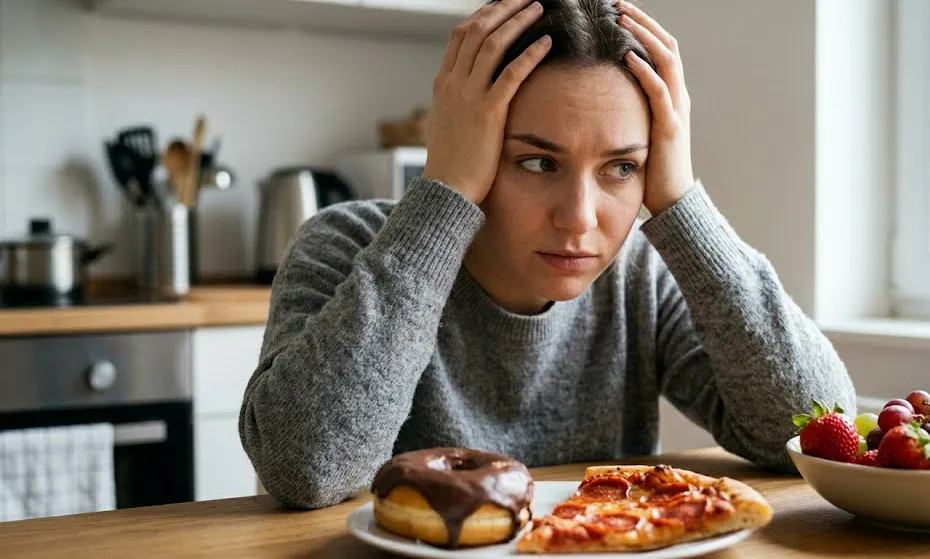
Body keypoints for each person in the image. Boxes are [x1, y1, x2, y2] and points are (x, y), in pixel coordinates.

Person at [238, 0, 857, 510]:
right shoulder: (345, 246)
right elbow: (309, 469)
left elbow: (810, 428)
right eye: (536, 162)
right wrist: (444, 196)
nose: (580, 218)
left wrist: (681, 201)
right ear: (469, 149)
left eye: (621, 167)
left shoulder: (638, 277)